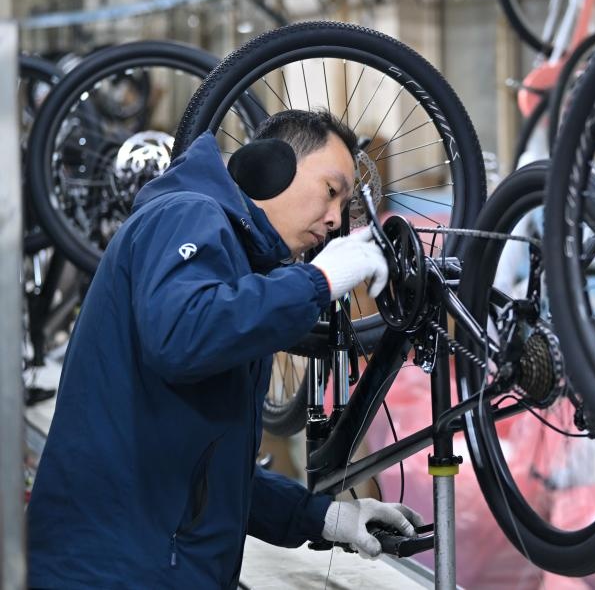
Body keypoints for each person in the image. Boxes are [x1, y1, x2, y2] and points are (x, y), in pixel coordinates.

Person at [26, 109, 423, 589]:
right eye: (331, 190)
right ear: (272, 166)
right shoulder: (187, 215)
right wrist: (317, 281)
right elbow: (180, 336)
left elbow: (209, 475)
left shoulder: (235, 263)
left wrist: (324, 518)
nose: (336, 218)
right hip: (115, 571)